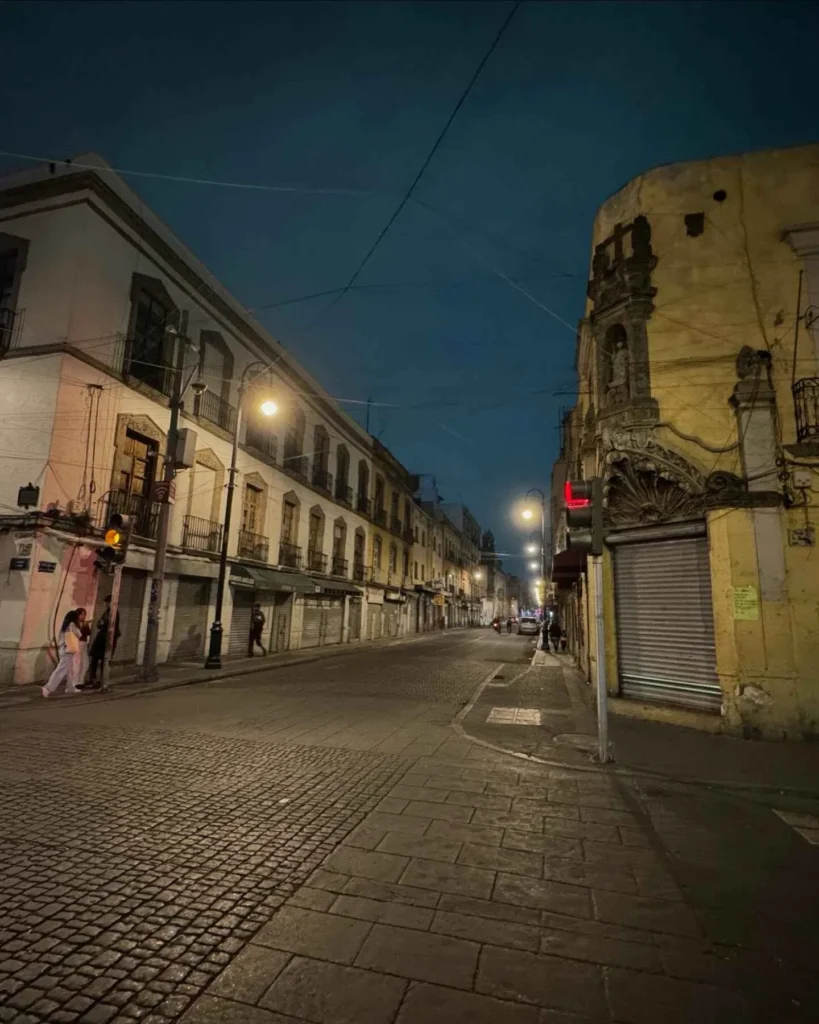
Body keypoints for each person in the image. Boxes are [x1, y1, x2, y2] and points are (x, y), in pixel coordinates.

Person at [42, 608, 86, 697]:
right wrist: (81, 625)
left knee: (68, 669)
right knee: (61, 670)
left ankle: (70, 688)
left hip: (63, 649)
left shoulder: (64, 626)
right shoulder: (72, 625)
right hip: (68, 650)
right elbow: (79, 634)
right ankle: (48, 688)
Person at [83, 597, 121, 689]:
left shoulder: (114, 612)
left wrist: (102, 623)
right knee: (94, 659)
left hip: (107, 639)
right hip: (101, 638)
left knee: (105, 660)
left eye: (107, 603)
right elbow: (99, 623)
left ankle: (102, 680)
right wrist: (101, 623)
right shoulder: (106, 612)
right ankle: (93, 679)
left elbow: (106, 624)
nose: (105, 604)